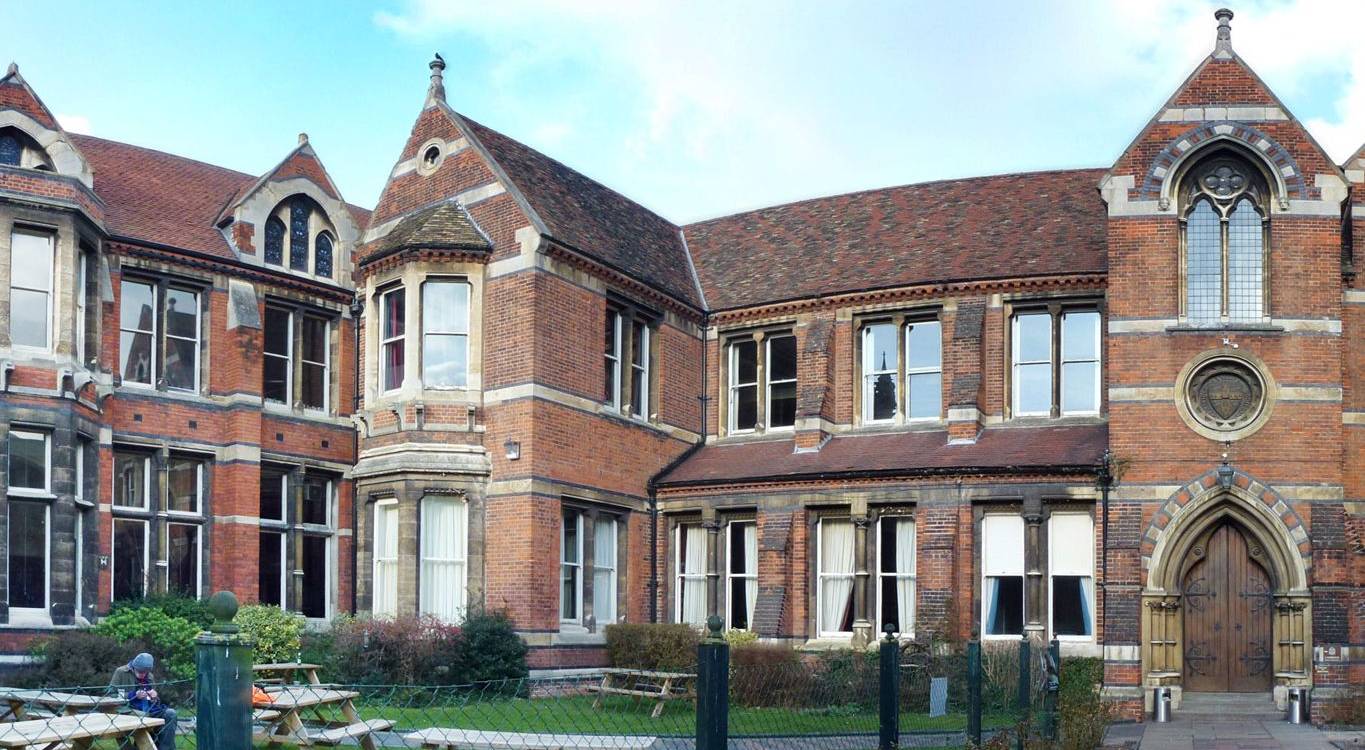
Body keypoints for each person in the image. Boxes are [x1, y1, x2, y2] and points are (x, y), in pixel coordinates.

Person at [110, 652, 178, 750]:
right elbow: (110, 694)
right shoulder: (121, 672)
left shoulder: (149, 676)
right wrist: (132, 695)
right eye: (140, 672)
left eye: (145, 673)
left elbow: (154, 702)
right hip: (127, 710)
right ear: (134, 667)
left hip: (149, 709)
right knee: (145, 717)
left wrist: (154, 696)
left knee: (171, 714)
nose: (143, 675)